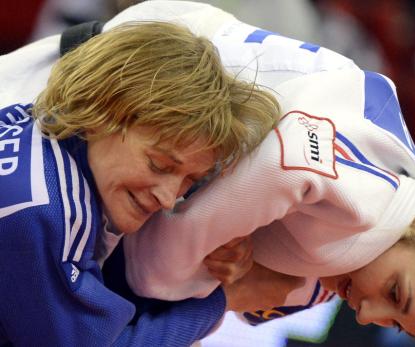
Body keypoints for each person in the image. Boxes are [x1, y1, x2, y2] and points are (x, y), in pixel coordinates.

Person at [0, 2, 415, 346]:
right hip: (106, 90)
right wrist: (209, 290)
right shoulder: (363, 198)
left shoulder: (347, 251)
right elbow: (155, 271)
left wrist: (225, 287)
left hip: (132, 70)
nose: (369, 316)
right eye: (396, 295)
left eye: (396, 324)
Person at [0, 20, 286, 345]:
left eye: (189, 179)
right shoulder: (43, 211)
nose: (168, 198)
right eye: (160, 164)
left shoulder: (39, 131)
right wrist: (223, 299)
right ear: (102, 110)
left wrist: (200, 267)